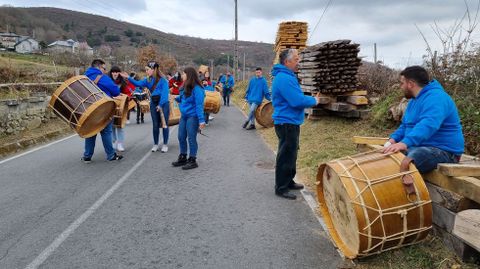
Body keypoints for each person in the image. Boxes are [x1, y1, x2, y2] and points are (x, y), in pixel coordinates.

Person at [383, 66, 464, 178]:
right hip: (419, 146)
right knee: (391, 156)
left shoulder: (437, 98)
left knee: (414, 156)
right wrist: (393, 140)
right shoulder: (413, 101)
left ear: (411, 84)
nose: (401, 87)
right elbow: (405, 125)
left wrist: (404, 143)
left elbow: (428, 124)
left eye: (402, 83)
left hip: (445, 152)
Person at [271, 49, 320, 200]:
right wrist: (314, 101)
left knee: (291, 153)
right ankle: (281, 187)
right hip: (287, 122)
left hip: (289, 121)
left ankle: (288, 181)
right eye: (296, 59)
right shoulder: (284, 78)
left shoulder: (287, 76)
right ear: (287, 62)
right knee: (286, 155)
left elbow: (295, 97)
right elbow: (296, 101)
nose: (298, 62)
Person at [121, 61, 170, 153]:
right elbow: (138, 84)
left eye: (147, 69)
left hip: (163, 104)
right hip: (153, 103)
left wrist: (160, 105)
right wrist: (128, 78)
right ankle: (155, 144)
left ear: (153, 69)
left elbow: (164, 94)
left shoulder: (163, 80)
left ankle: (165, 144)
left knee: (164, 124)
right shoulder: (147, 80)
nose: (146, 71)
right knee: (155, 125)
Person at [81, 59, 123, 163]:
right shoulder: (103, 78)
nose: (105, 71)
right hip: (104, 109)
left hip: (89, 110)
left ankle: (87, 156)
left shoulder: (84, 78)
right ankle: (111, 155)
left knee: (91, 132)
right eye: (104, 68)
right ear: (99, 67)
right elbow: (116, 91)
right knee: (106, 132)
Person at [172, 67, 206, 170]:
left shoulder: (197, 89)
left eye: (183, 74)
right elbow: (182, 98)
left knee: (191, 138)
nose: (182, 75)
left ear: (189, 75)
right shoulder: (184, 86)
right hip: (184, 116)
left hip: (193, 117)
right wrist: (174, 98)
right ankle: (183, 156)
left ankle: (192, 159)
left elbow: (199, 105)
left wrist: (201, 120)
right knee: (181, 136)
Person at [109, 66, 135, 152]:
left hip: (121, 107)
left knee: (120, 125)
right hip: (110, 107)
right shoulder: (107, 81)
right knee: (111, 125)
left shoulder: (123, 82)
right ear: (111, 73)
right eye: (113, 72)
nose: (115, 74)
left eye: (116, 72)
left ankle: (120, 143)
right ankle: (113, 142)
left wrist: (124, 97)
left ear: (119, 73)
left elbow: (129, 93)